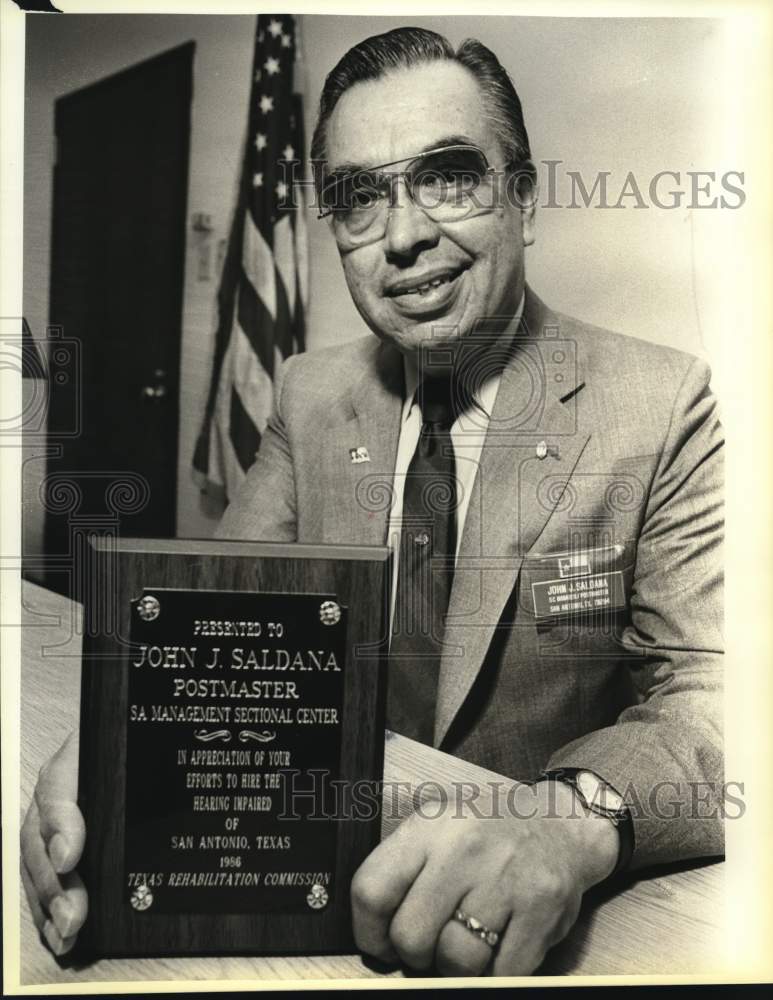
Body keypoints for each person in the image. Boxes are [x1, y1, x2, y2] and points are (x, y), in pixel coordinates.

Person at [22, 27, 723, 976]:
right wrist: (103, 747)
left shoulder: (659, 400)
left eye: (447, 175)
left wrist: (571, 820)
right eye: (358, 197)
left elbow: (712, 699)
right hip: (308, 882)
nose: (402, 237)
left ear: (523, 199)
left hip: (516, 919)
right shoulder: (311, 392)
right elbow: (208, 618)